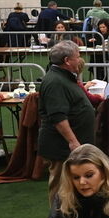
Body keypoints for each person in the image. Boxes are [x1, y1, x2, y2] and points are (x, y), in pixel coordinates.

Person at [38, 41, 96, 194]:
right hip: (62, 147)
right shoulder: (55, 82)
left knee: (73, 187)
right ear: (67, 60)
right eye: (77, 56)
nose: (80, 60)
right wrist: (73, 142)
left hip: (70, 146)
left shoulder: (63, 77)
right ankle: (58, 211)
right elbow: (58, 117)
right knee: (61, 186)